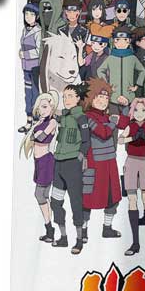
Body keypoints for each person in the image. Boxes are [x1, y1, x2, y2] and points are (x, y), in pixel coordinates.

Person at [81, 78, 122, 245]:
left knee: (113, 197)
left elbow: (123, 122)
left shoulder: (107, 116)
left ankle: (107, 227)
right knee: (87, 198)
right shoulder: (87, 117)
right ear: (91, 97)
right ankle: (83, 231)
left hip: (110, 162)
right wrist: (113, 123)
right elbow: (103, 133)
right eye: (99, 97)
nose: (103, 101)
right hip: (94, 164)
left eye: (106, 98)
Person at [50, 84, 90, 252]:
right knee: (55, 202)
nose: (66, 99)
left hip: (73, 164)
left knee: (76, 202)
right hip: (58, 164)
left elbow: (86, 140)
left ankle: (79, 240)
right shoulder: (63, 116)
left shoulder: (81, 117)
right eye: (65, 96)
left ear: (78, 99)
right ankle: (63, 237)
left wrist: (80, 157)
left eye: (70, 96)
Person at [117, 97, 145, 255]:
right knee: (132, 199)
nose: (139, 113)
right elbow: (120, 140)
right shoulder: (130, 126)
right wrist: (132, 138)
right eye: (136, 110)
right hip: (131, 162)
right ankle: (135, 243)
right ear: (132, 112)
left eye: (143, 110)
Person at [21, 91, 59, 244]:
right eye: (40, 107)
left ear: (52, 107)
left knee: (40, 195)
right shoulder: (40, 122)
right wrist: (35, 135)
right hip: (38, 161)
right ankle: (49, 230)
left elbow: (41, 137)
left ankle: (50, 229)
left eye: (45, 107)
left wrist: (35, 135)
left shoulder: (52, 122)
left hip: (46, 161)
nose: (42, 110)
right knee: (42, 196)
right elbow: (34, 137)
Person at [97, 26, 145, 111]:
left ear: (129, 41)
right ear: (114, 41)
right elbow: (100, 70)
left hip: (129, 97)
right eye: (117, 40)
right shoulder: (111, 58)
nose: (121, 43)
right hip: (113, 97)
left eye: (125, 40)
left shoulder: (132, 58)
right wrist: (107, 85)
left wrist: (137, 85)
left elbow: (142, 70)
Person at [18, 3, 42, 134]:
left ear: (37, 16)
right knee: (28, 94)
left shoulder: (38, 31)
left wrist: (25, 54)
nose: (28, 17)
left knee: (35, 93)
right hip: (26, 67)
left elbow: (39, 51)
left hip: (35, 67)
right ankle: (29, 121)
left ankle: (37, 122)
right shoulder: (24, 29)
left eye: (32, 14)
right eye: (26, 14)